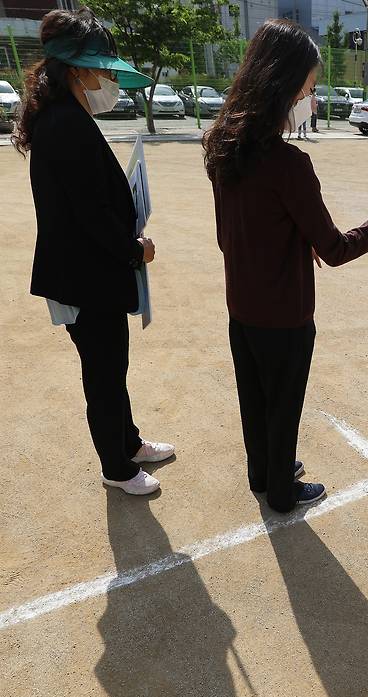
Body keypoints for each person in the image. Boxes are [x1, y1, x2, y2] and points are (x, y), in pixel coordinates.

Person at [202, 19, 368, 513]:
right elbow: (335, 248)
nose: (311, 100)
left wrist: (295, 239)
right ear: (284, 85)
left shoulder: (221, 144)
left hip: (243, 304)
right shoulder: (288, 162)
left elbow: (230, 234)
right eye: (309, 88)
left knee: (254, 398)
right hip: (285, 314)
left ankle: (263, 472)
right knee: (283, 403)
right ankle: (281, 491)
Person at [14, 7, 174, 496]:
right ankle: (117, 467)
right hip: (83, 275)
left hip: (89, 272)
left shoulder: (66, 116)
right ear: (78, 71)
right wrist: (134, 248)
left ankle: (127, 442)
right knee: (103, 373)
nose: (108, 78)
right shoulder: (64, 123)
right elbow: (90, 214)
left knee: (112, 365)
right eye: (102, 68)